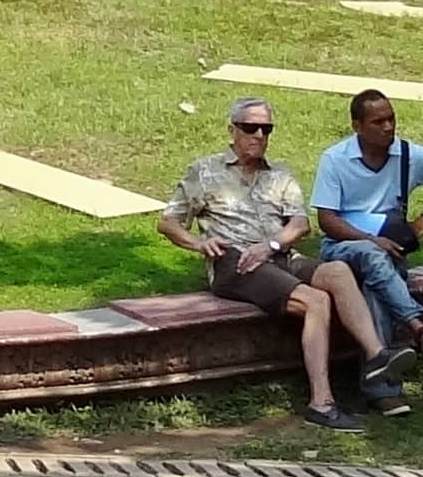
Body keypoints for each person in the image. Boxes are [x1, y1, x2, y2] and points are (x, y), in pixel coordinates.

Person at [158, 97, 408, 428]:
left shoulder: (280, 174)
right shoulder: (204, 172)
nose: (259, 135)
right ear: (232, 130)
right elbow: (168, 222)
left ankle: (378, 356)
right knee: (315, 300)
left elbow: (301, 224)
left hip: (278, 254)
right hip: (237, 262)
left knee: (337, 271)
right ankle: (321, 402)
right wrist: (200, 243)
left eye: (266, 129)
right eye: (250, 128)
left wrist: (272, 244)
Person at [312, 88, 423, 373]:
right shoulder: (335, 159)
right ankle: (419, 329)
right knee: (374, 255)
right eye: (378, 122)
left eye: (391, 119)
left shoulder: (408, 154)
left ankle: (382, 388)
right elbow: (326, 220)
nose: (388, 127)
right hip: (341, 246)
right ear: (357, 126)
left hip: (389, 249)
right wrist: (372, 240)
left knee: (376, 287)